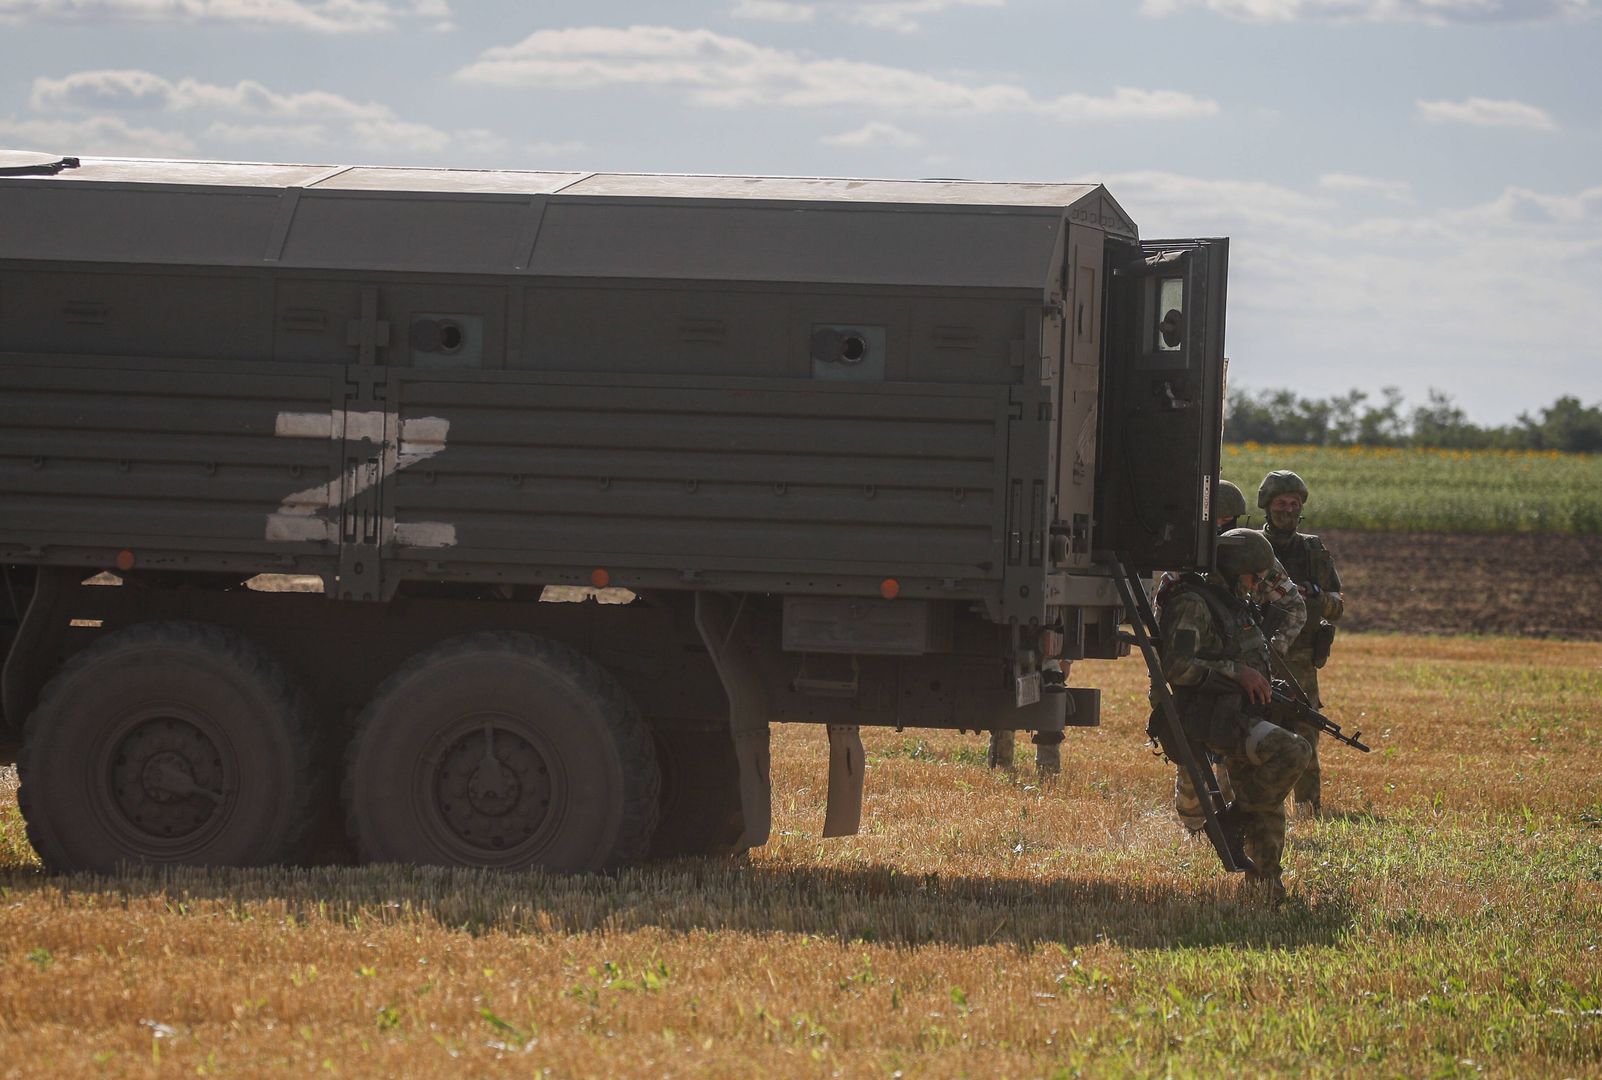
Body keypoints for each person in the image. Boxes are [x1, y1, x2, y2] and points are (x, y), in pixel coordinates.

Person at [1157, 528, 1312, 901]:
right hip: (1211, 718)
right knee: (1293, 752)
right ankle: (1232, 819)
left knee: (1268, 797)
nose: (1258, 584)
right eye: (1253, 576)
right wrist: (1238, 673)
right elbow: (1177, 667)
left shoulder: (1230, 600)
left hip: (1237, 713)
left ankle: (1265, 886)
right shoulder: (1193, 603)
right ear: (1231, 568)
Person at [1156, 479, 1305, 833]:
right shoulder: (1180, 563)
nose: (1221, 528)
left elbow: (1293, 607)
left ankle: (1237, 822)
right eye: (1215, 521)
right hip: (1196, 673)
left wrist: (1258, 658)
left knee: (1238, 753)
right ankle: (1196, 825)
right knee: (1191, 753)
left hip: (1235, 680)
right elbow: (1167, 632)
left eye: (1227, 521)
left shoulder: (1248, 554)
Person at [1258, 470, 1345, 818]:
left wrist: (1316, 595)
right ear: (1267, 505)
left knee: (1306, 732)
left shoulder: (1313, 551)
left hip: (1301, 659)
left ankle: (1309, 811)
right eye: (1281, 503)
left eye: (1294, 503)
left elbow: (1337, 607)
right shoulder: (1252, 547)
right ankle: (1259, 805)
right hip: (1260, 655)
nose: (1288, 509)